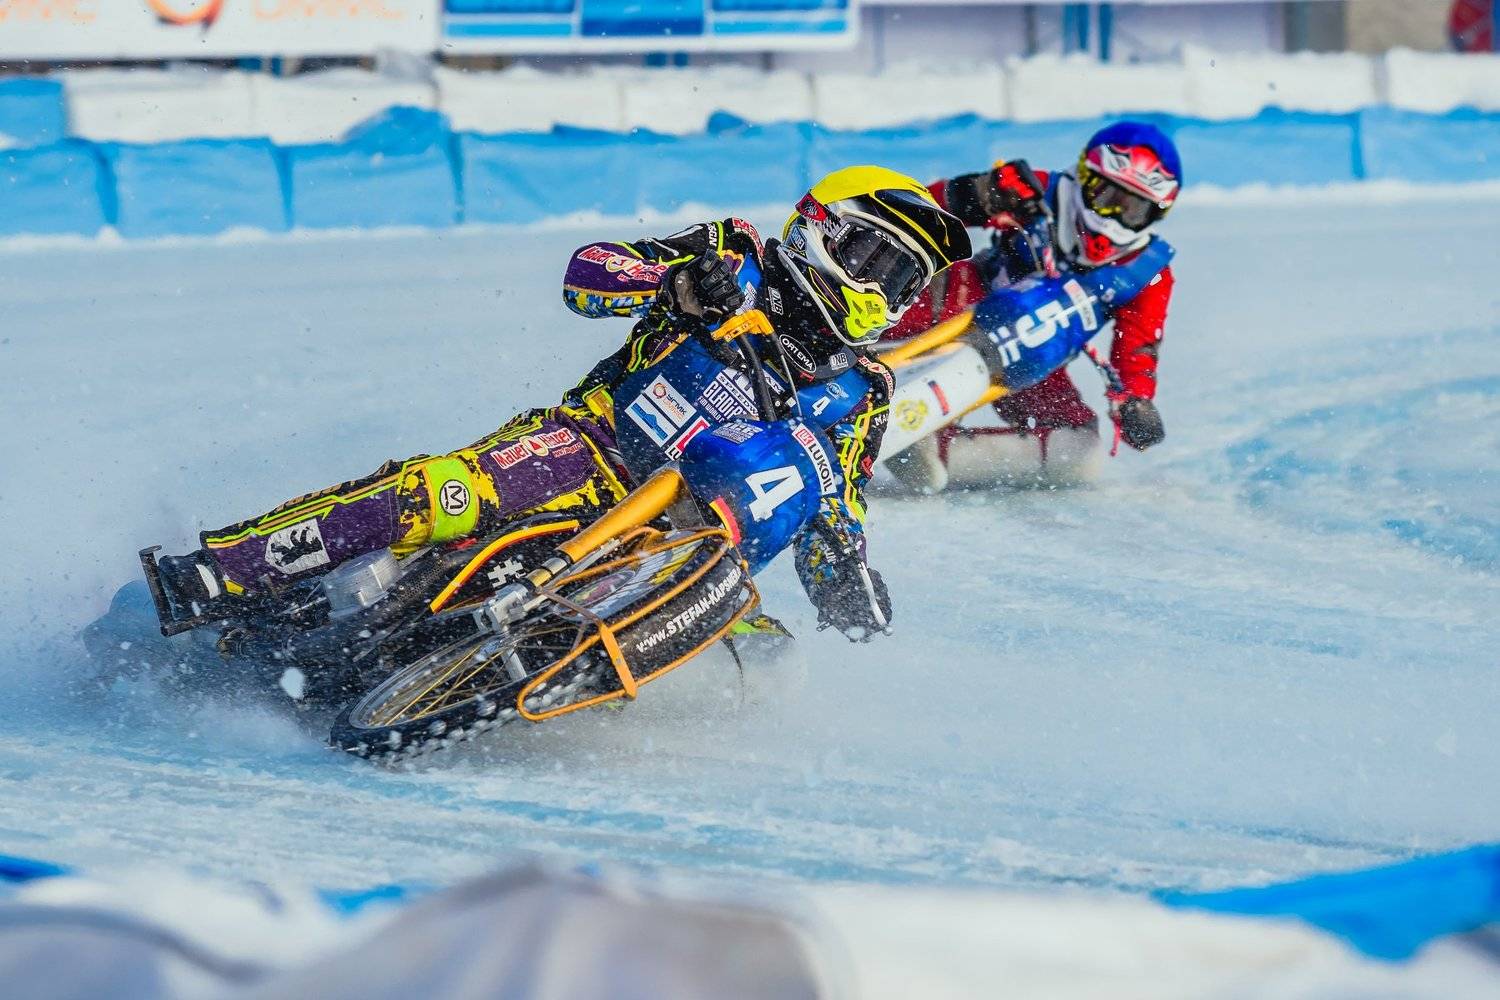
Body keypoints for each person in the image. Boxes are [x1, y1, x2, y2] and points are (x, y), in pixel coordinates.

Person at [156, 166, 971, 641]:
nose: (883, 293)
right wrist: (677, 286)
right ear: (820, 230)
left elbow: (835, 500)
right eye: (876, 259)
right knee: (434, 495)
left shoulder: (861, 391)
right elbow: (591, 273)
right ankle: (221, 571)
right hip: (590, 449)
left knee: (764, 659)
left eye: (905, 282)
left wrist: (847, 582)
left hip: (689, 540)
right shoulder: (735, 255)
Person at [884, 121, 1181, 489]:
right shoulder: (1038, 189)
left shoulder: (1148, 273)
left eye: (1133, 210)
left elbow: (1138, 347)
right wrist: (978, 193)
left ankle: (932, 446)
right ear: (1087, 180)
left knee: (1079, 451)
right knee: (901, 297)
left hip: (1032, 359)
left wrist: (1136, 401)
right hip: (963, 297)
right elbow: (924, 209)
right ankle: (828, 360)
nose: (1114, 218)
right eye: (1108, 199)